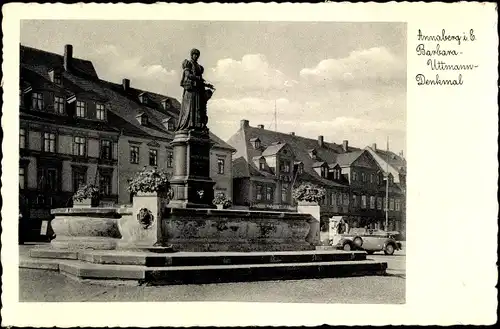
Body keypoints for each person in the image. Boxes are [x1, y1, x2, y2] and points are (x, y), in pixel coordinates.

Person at [176, 48, 215, 131]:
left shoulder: (199, 67)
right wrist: (198, 77)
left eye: (197, 55)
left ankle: (196, 125)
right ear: (192, 55)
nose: (196, 56)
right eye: (195, 54)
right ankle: (189, 124)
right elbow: (188, 75)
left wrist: (207, 85)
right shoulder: (188, 63)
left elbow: (200, 80)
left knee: (198, 108)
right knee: (190, 107)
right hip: (190, 90)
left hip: (198, 90)